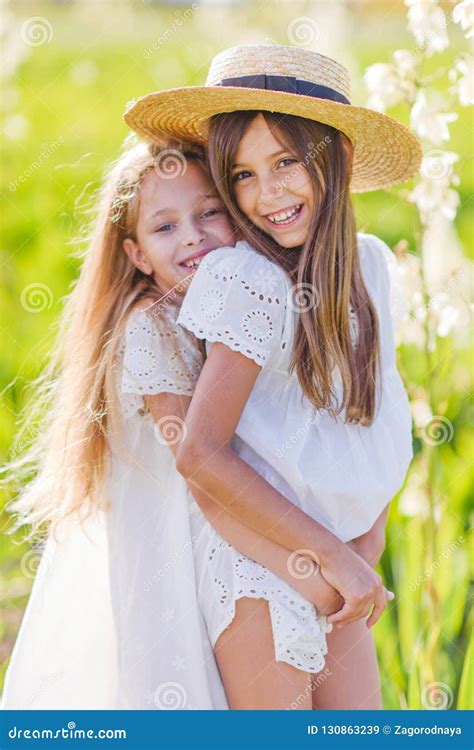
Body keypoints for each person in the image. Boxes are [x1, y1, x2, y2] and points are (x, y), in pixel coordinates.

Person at [1, 136, 373, 710]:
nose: (193, 236)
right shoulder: (151, 325)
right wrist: (311, 566)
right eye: (165, 227)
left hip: (254, 542)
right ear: (137, 255)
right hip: (189, 563)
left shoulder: (235, 305)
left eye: (208, 214)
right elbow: (197, 470)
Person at [124, 43, 421, 709]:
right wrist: (333, 561)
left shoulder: (369, 265)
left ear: (337, 160)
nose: (268, 193)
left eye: (286, 161)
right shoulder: (247, 280)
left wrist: (362, 546)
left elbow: (373, 420)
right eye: (244, 175)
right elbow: (200, 453)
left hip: (336, 551)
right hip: (260, 557)